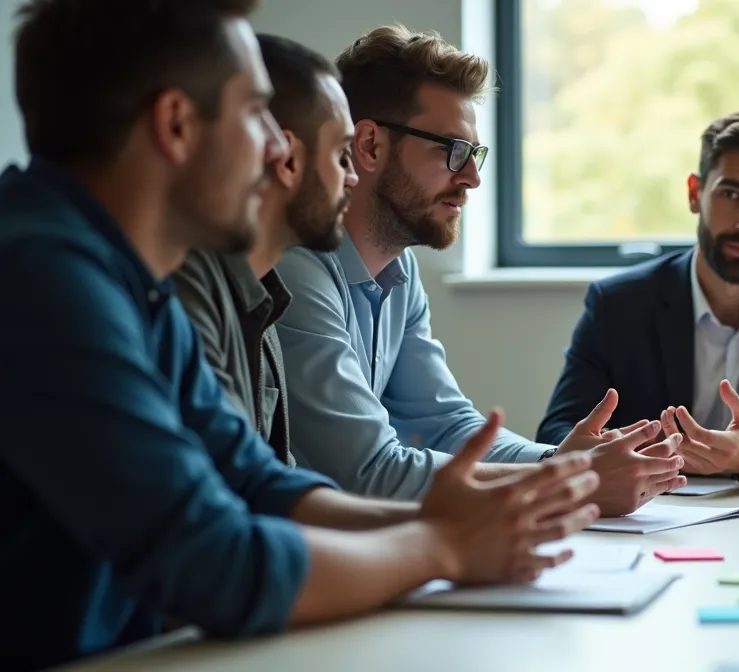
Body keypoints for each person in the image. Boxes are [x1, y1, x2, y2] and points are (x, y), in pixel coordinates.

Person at [0, 3, 598, 669]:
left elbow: (259, 482)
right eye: (257, 113)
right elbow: (214, 560)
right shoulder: (38, 278)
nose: (279, 146)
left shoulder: (128, 274)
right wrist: (442, 547)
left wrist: (455, 525)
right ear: (176, 126)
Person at [274, 24, 685, 512]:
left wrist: (565, 460)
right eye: (453, 151)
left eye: (474, 154)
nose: (472, 178)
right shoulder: (295, 270)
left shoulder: (399, 273)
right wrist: (569, 479)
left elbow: (448, 426)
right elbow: (368, 471)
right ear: (369, 146)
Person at [536, 112, 739, 487]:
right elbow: (558, 433)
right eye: (731, 194)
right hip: (651, 508)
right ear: (695, 194)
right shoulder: (618, 303)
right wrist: (622, 453)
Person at [174, 34, 358, 464]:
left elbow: (273, 484)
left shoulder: (265, 297)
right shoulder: (187, 283)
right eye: (341, 155)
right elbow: (230, 497)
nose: (352, 177)